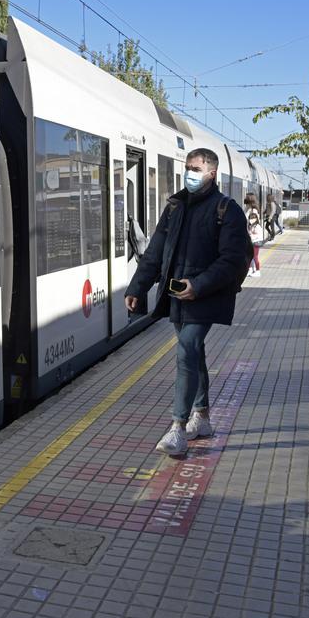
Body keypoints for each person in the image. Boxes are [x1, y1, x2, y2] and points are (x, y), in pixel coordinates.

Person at [124, 148, 248, 457]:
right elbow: (155, 251)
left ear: (211, 174)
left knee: (186, 351)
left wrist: (199, 285)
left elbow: (233, 260)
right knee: (193, 351)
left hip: (206, 295)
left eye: (195, 168)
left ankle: (178, 428)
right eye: (187, 167)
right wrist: (138, 286)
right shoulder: (175, 207)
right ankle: (202, 416)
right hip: (176, 295)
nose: (189, 173)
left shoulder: (227, 210)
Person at [243, 194, 264, 278]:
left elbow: (253, 222)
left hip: (254, 238)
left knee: (254, 256)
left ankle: (257, 271)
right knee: (249, 255)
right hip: (249, 236)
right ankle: (251, 269)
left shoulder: (253, 211)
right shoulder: (248, 209)